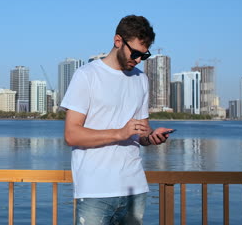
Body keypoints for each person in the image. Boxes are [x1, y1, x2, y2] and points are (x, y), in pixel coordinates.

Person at [61, 15, 173, 225]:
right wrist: (120, 133)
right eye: (136, 53)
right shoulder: (86, 75)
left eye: (144, 54)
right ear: (118, 41)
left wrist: (151, 137)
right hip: (96, 191)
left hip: (135, 188)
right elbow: (71, 134)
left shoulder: (141, 79)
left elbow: (141, 132)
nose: (139, 59)